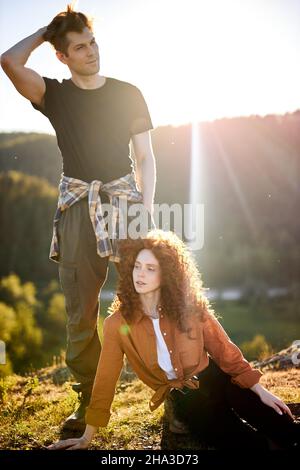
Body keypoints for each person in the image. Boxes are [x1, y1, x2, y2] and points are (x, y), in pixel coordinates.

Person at [0, 4, 156, 430]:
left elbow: (145, 155)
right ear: (62, 56)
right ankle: (89, 397)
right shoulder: (55, 95)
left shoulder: (128, 92)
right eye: (80, 47)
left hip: (124, 200)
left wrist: (146, 204)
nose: (92, 52)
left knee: (151, 295)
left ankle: (176, 385)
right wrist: (44, 30)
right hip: (76, 207)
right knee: (80, 308)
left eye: (93, 43)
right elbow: (9, 61)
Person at [47, 229, 299, 450]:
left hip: (217, 379)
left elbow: (224, 351)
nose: (140, 274)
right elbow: (105, 378)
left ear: (166, 274)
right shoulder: (117, 324)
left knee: (279, 422)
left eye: (150, 268)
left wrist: (258, 389)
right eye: (137, 266)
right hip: (186, 398)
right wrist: (86, 437)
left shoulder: (190, 308)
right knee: (241, 442)